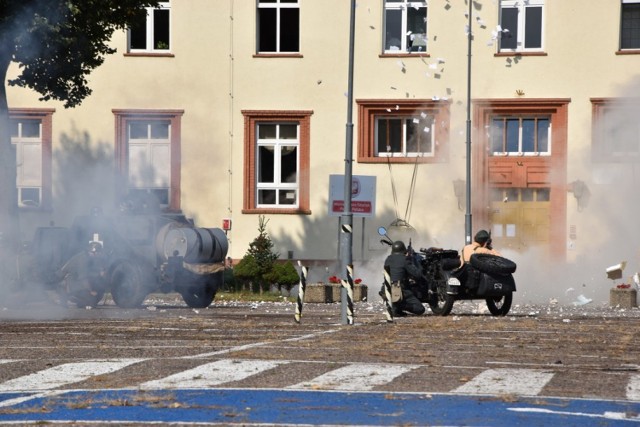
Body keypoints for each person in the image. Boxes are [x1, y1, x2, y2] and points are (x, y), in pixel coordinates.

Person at [382, 240, 426, 317]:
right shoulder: (405, 260)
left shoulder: (388, 259)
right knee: (420, 309)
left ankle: (396, 307)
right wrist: (418, 264)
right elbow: (417, 274)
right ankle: (399, 306)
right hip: (399, 289)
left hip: (386, 288)